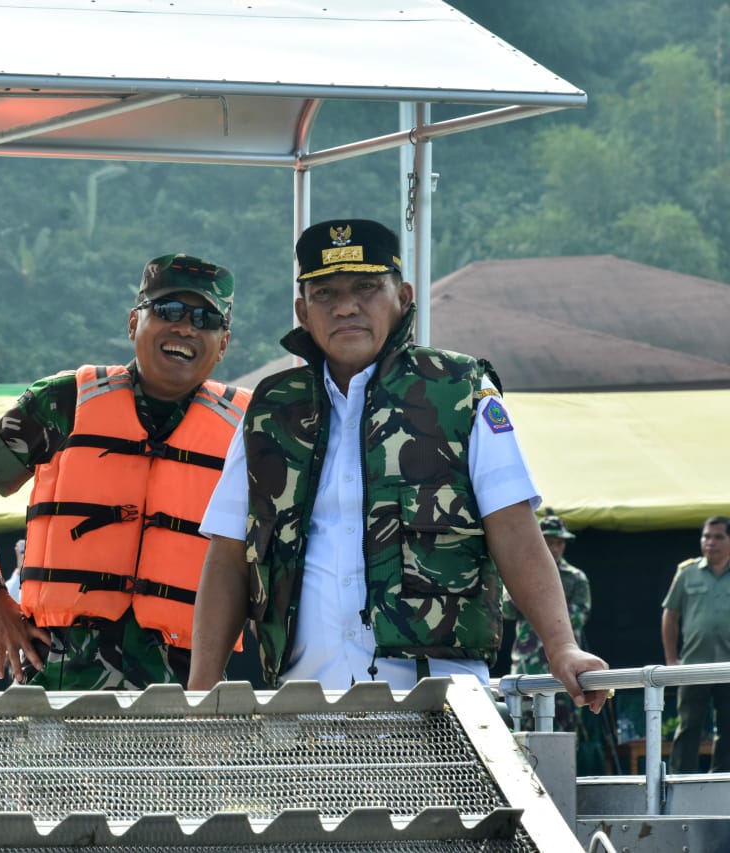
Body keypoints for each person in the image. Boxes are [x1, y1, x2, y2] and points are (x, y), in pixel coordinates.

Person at [189, 219, 609, 715]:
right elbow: (229, 555)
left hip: (437, 700)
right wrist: (200, 690)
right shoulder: (270, 408)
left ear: (403, 296)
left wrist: (562, 647)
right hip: (300, 702)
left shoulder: (458, 389)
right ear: (303, 311)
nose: (345, 306)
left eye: (367, 287)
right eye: (325, 293)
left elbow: (514, 528)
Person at [0, 254, 250, 689]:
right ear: (132, 323)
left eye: (205, 319)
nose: (185, 327)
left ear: (222, 345)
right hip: (59, 685)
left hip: (183, 694)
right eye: (167, 311)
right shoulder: (60, 402)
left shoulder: (251, 430)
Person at [502, 513, 593, 732]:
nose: (553, 548)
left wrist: (546, 611)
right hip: (527, 666)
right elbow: (506, 611)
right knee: (521, 732)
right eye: (548, 542)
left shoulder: (576, 577)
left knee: (564, 732)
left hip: (564, 670)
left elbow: (580, 616)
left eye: (558, 543)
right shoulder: (519, 574)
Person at [661, 516, 730, 772]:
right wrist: (671, 660)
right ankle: (681, 782)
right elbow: (670, 614)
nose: (711, 543)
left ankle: (723, 782)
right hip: (693, 666)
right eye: (706, 536)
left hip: (729, 667)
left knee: (728, 729)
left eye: (718, 537)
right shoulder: (687, 572)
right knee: (689, 727)